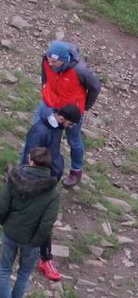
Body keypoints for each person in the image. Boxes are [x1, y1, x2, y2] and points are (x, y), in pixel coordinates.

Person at [0, 145, 62, 298]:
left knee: (5, 271)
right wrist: (37, 240)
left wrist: (5, 223)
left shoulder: (14, 180)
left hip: (11, 233)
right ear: (47, 166)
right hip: (32, 241)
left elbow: (1, 206)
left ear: (30, 160)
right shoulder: (53, 192)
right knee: (23, 274)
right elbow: (47, 222)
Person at [19, 103, 84, 281]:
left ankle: (40, 255)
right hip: (38, 183)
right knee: (43, 220)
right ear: (62, 118)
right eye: (70, 124)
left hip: (49, 180)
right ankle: (44, 259)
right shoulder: (40, 131)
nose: (69, 128)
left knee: (42, 219)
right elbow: (30, 159)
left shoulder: (55, 127)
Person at [34, 42, 101, 189]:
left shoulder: (80, 71)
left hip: (72, 113)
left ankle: (76, 171)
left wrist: (86, 107)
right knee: (50, 139)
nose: (50, 63)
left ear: (65, 60)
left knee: (74, 141)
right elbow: (45, 78)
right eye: (49, 59)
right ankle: (44, 169)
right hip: (53, 107)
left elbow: (96, 86)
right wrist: (46, 92)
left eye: (55, 61)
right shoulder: (46, 60)